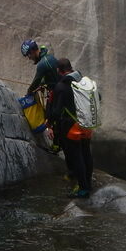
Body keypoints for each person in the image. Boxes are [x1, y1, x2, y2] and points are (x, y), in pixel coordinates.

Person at [45, 58, 94, 198]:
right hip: (87, 123)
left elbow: (56, 112)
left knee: (76, 156)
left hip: (72, 126)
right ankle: (88, 184)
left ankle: (83, 189)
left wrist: (49, 124)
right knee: (86, 153)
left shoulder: (61, 86)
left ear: (59, 71)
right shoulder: (84, 81)